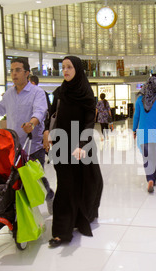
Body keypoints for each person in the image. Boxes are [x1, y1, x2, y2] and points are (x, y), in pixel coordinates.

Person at [0, 58, 55, 213]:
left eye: (18, 70)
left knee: (37, 181)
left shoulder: (36, 92)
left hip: (33, 147)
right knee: (17, 183)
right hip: (14, 148)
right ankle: (25, 215)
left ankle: (50, 196)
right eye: (12, 70)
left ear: (27, 73)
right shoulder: (9, 94)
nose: (14, 74)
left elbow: (40, 112)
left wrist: (31, 124)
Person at [43, 56, 103, 247]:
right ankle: (62, 231)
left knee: (91, 181)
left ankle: (86, 214)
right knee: (66, 186)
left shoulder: (85, 92)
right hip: (62, 144)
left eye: (69, 67)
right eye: (63, 67)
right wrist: (48, 133)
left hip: (82, 145)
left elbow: (88, 121)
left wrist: (81, 144)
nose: (66, 70)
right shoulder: (61, 91)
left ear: (77, 69)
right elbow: (52, 114)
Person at [132, 76, 156, 193]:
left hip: (144, 132)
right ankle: (153, 179)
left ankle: (149, 179)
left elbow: (136, 116)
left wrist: (134, 130)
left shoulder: (140, 100)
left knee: (147, 158)